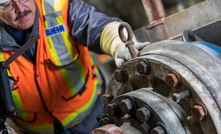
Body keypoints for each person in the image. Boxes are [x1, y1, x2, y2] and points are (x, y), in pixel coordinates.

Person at [0, 0, 147, 133]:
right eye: (7, 4)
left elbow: (98, 26)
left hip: (94, 118)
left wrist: (119, 44)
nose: (19, 8)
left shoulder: (59, 8)